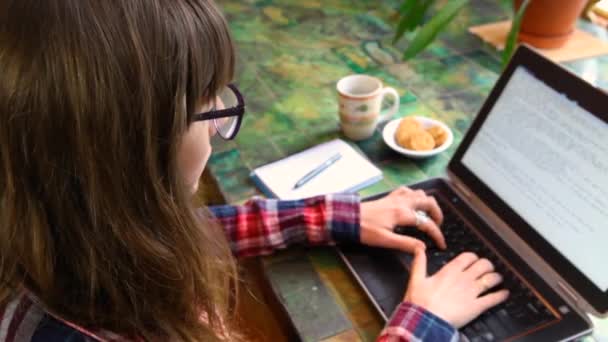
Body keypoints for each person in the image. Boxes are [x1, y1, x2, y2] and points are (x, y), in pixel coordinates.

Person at [0, 1, 508, 341]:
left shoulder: (63, 234)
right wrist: (424, 324)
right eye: (208, 104)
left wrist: (334, 216)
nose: (220, 121)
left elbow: (170, 233)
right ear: (131, 147)